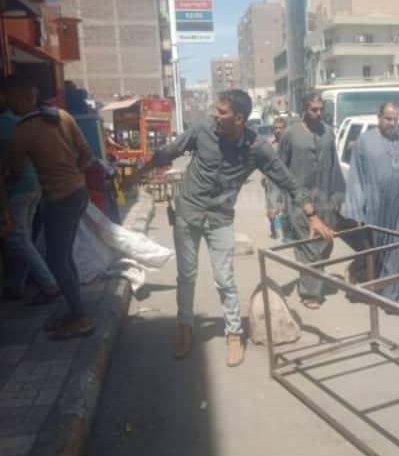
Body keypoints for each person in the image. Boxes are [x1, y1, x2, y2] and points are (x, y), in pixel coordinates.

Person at [132, 89, 332, 366]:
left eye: (222, 112)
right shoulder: (203, 131)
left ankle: (234, 333)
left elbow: (287, 180)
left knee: (224, 279)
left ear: (239, 118)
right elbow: (170, 151)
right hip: (188, 214)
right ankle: (185, 326)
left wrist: (312, 215)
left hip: (220, 218)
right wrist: (139, 172)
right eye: (216, 109)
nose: (215, 114)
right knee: (186, 276)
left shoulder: (256, 148)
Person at [7, 75, 94, 339]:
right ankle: (76, 310)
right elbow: (87, 154)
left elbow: (14, 173)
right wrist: (73, 174)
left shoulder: (22, 131)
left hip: (59, 199)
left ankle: (81, 318)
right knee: (64, 257)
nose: (7, 103)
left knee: (57, 259)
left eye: (9, 98)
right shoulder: (63, 116)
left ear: (21, 97)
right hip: (78, 193)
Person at [343, 102, 399, 305]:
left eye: (395, 120)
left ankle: (396, 295)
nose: (392, 123)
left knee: (397, 248)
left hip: (398, 206)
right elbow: (356, 175)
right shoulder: (364, 141)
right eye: (388, 118)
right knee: (375, 251)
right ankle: (366, 282)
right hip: (374, 205)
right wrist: (356, 209)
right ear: (379, 117)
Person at [278, 92, 346, 310]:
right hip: (299, 199)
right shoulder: (290, 134)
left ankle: (315, 279)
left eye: (320, 109)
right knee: (308, 246)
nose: (318, 113)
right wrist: (276, 202)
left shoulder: (327, 133)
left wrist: (339, 196)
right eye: (313, 109)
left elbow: (335, 166)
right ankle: (310, 292)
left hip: (325, 198)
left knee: (325, 243)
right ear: (304, 110)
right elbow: (279, 168)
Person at [0, 86, 59, 304]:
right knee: (22, 237)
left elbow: (6, 165)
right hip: (33, 185)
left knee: (17, 239)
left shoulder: (5, 123)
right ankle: (17, 286)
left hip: (19, 188)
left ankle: (49, 284)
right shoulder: (19, 122)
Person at [263, 116, 287, 238]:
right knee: (271, 208)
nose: (278, 130)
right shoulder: (269, 143)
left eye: (280, 128)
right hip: (271, 181)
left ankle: (281, 233)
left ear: (285, 128)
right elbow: (263, 160)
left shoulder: (289, 142)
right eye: (275, 128)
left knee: (283, 208)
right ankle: (275, 228)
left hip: (286, 180)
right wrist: (264, 177)